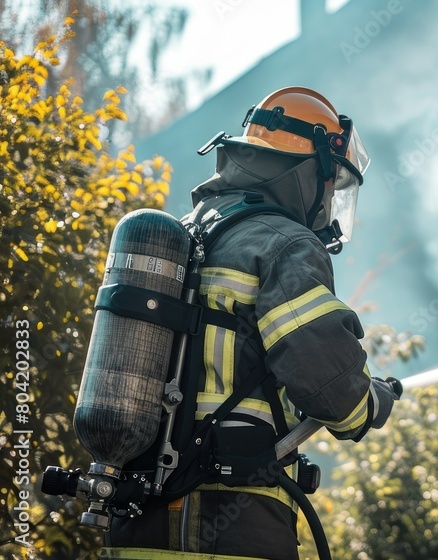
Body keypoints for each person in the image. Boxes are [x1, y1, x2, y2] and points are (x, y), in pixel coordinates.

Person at [100, 86, 398, 559]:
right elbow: (324, 378)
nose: (329, 198)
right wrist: (369, 402)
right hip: (230, 521)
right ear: (309, 171)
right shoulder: (285, 244)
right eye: (330, 183)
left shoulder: (187, 233)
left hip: (135, 517)